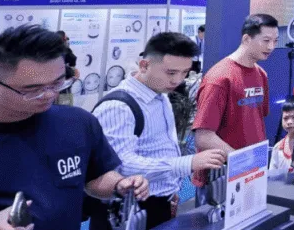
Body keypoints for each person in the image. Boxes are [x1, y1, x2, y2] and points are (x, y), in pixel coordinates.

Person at [0, 25, 150, 230]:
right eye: (33, 89)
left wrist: (119, 185)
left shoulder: (79, 122)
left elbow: (94, 178)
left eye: (57, 83)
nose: (49, 95)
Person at [91, 32, 225, 230]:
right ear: (144, 65)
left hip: (159, 202)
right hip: (127, 210)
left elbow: (161, 147)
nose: (178, 80)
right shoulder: (118, 107)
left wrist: (170, 189)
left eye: (184, 72)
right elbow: (120, 166)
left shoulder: (160, 96)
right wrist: (187, 163)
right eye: (171, 73)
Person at [192, 13, 277, 188]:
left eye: (275, 41)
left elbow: (256, 122)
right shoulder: (219, 78)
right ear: (246, 39)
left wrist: (254, 165)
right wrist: (243, 162)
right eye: (266, 40)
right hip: (221, 176)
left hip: (252, 173)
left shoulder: (261, 74)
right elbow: (203, 137)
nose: (271, 47)